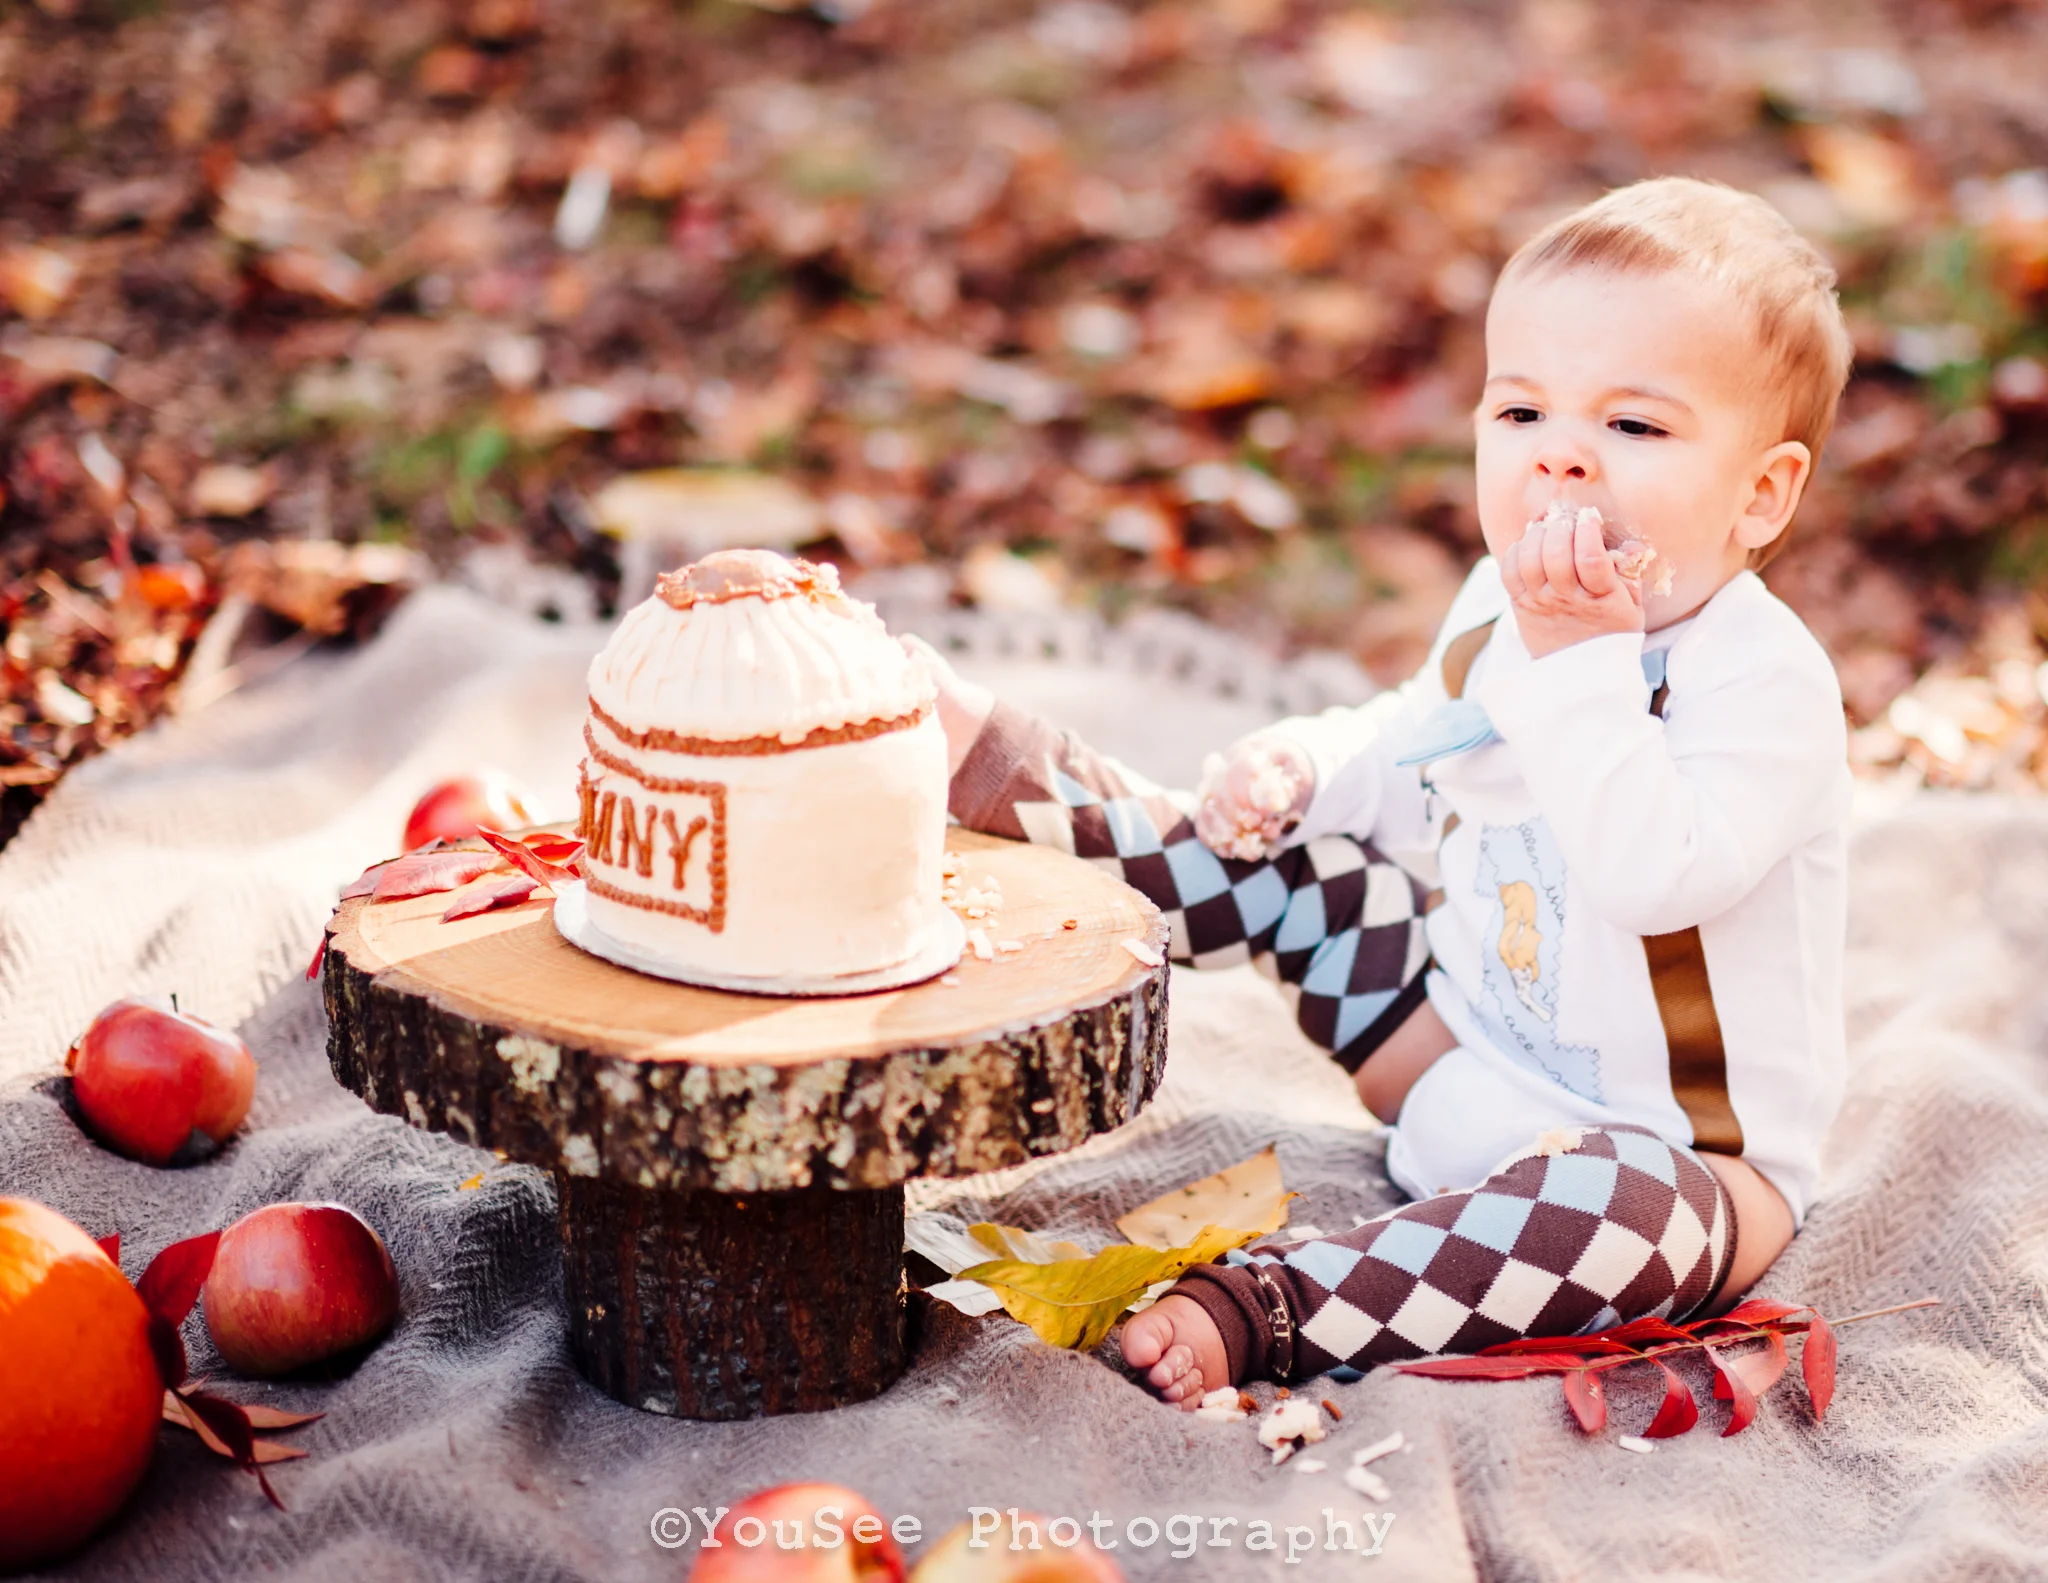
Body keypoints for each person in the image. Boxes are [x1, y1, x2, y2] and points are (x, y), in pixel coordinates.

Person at [920, 176, 1856, 1404]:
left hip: (1669, 1160)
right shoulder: (1499, 606)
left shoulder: (1762, 686)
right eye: (1520, 408)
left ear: (1759, 495)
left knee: (1628, 1222)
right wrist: (1310, 768)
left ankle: (1277, 1306)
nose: (1560, 452)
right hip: (1446, 1058)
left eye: (1633, 428)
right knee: (1290, 855)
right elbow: (1423, 749)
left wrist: (1579, 664)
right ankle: (1017, 779)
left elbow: (1652, 875)